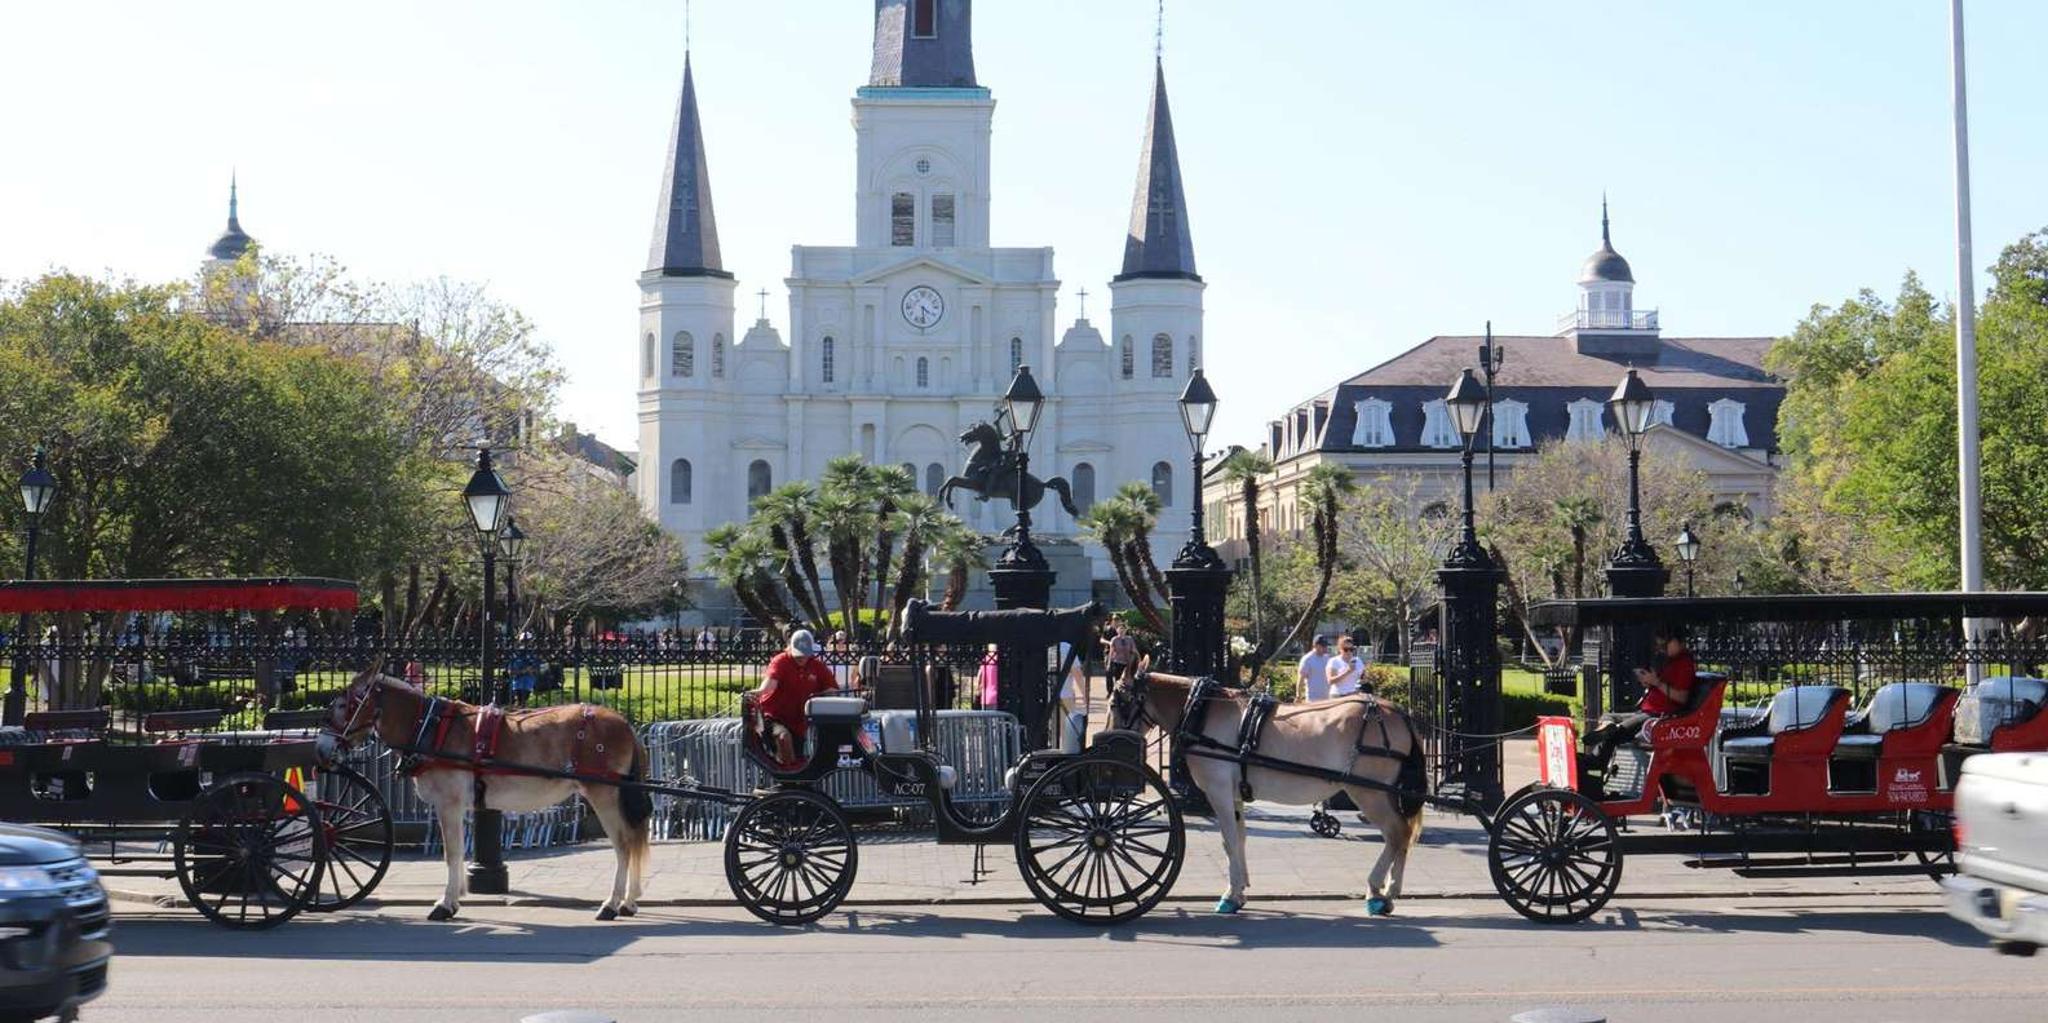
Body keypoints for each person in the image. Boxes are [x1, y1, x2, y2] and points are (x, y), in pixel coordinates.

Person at [1584, 626, 1699, 769]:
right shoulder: (1672, 661)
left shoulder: (1685, 663)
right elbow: (1662, 686)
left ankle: (1597, 760)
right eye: (1659, 645)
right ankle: (1606, 727)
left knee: (1618, 732)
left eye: (1665, 645)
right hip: (1647, 711)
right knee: (1608, 716)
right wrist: (1649, 682)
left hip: (1659, 716)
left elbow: (1682, 697)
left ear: (1678, 641)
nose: (1661, 649)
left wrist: (1656, 682)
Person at [752, 629, 842, 764]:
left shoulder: (817, 665)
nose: (801, 658)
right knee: (783, 737)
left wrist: (832, 698)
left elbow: (831, 690)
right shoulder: (781, 661)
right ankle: (789, 777)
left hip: (799, 722)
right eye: (798, 655)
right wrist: (758, 692)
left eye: (805, 655)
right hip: (774, 717)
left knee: (798, 757)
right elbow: (769, 685)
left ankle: (794, 779)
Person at [1056, 641, 1090, 753]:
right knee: (1066, 733)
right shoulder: (1065, 647)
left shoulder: (1038, 644)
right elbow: (1077, 673)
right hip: (1065, 695)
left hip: (1044, 695)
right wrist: (1084, 694)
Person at [1297, 636, 1333, 702]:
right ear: (1315, 645)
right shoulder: (1307, 659)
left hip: (1327, 699)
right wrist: (1298, 695)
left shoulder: (1327, 658)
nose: (1326, 648)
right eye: (1323, 646)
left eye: (1326, 646)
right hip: (1312, 700)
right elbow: (1301, 678)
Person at [977, 643, 1001, 710]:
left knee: (985, 716)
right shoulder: (999, 660)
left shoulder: (985, 660)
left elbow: (979, 675)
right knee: (996, 717)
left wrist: (978, 688)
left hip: (985, 695)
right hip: (996, 694)